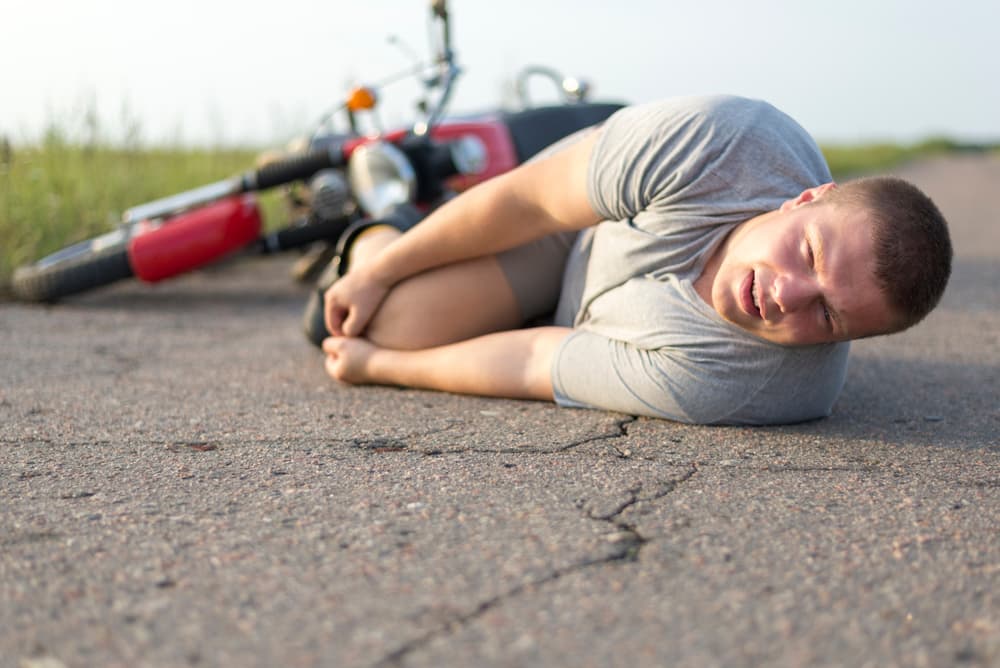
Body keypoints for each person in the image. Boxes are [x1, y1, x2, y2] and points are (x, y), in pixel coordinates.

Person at [310, 95, 952, 425]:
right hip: (575, 226)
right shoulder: (723, 141)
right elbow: (530, 203)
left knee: (388, 341)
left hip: (586, 312)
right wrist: (377, 271)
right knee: (371, 310)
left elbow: (540, 359)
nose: (788, 294)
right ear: (806, 199)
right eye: (806, 253)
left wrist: (384, 368)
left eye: (829, 318)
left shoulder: (750, 385)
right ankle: (386, 218)